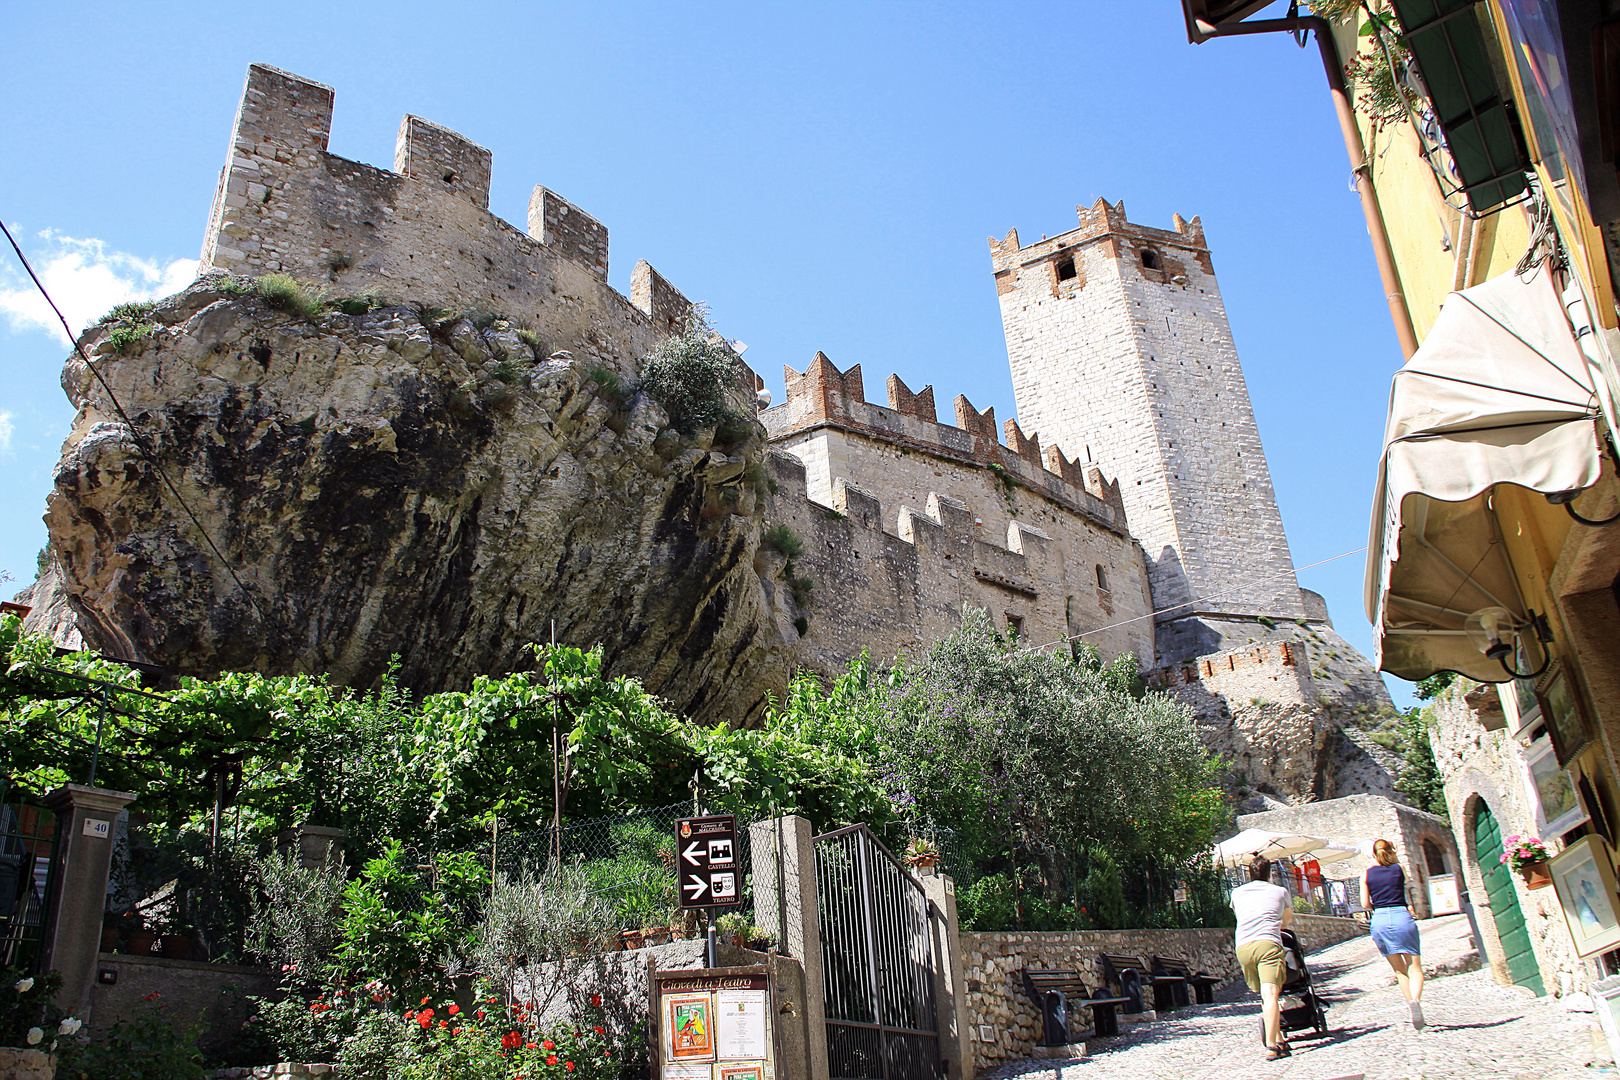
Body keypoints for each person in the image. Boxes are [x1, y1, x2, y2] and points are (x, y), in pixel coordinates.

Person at [1232, 853, 1294, 1060]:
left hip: (1244, 947)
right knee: (1271, 995)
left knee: (1265, 996)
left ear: (1249, 873)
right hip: (1268, 944)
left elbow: (1240, 916)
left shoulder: (1237, 893)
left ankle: (1279, 1039)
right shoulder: (1280, 891)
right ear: (1269, 873)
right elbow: (1285, 923)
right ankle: (1271, 1045)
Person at [1363, 838, 1424, 1030]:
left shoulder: (1365, 874)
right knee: (1415, 967)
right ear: (1391, 851)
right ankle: (1416, 1000)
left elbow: (1365, 905)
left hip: (1380, 919)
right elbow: (1403, 884)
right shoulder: (1399, 869)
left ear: (1373, 854)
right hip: (1401, 915)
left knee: (1399, 971)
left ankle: (1410, 1004)